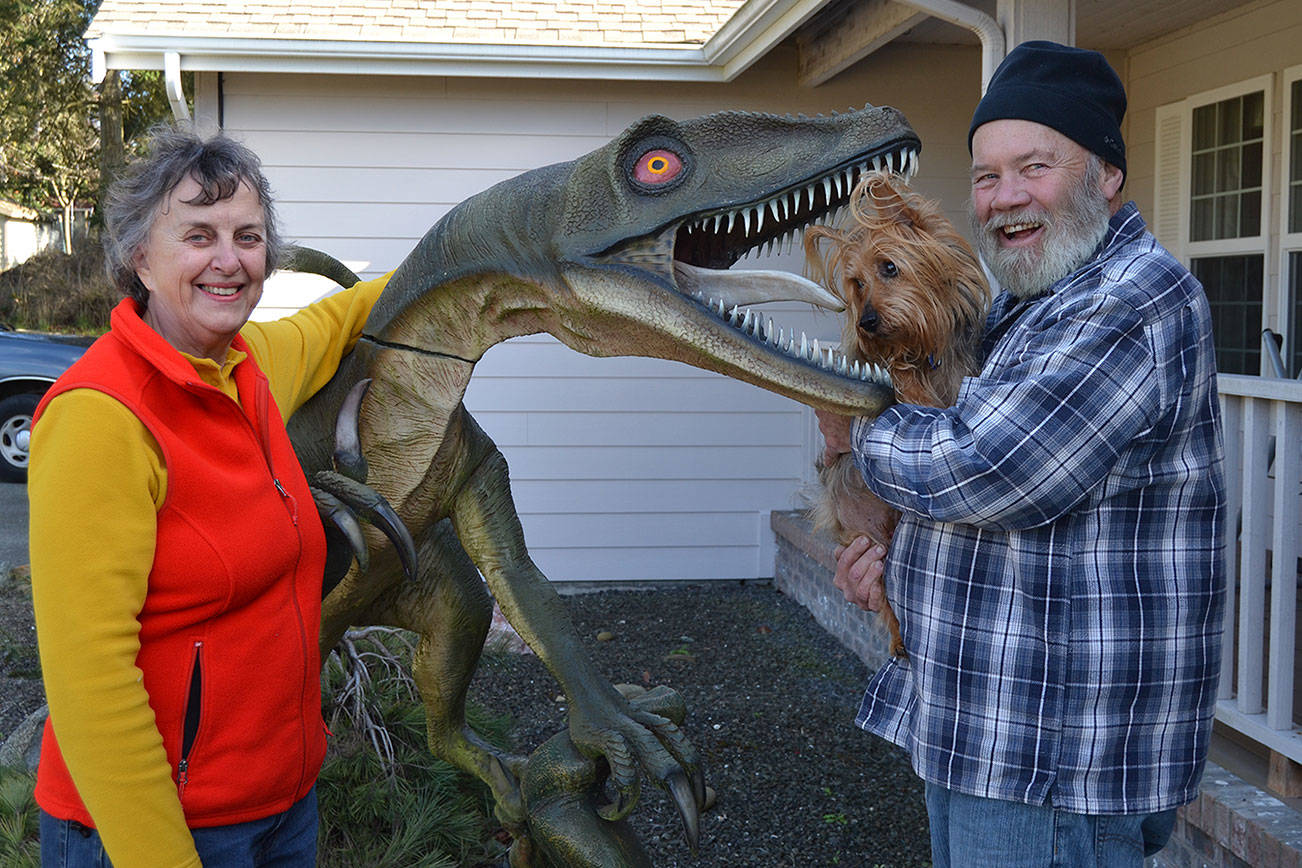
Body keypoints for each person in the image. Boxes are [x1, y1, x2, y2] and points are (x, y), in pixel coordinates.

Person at [816, 41, 1225, 866]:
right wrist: (890, 564)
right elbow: (967, 494)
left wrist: (854, 423)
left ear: (1105, 174)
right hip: (990, 738)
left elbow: (990, 470)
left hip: (1050, 766)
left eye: (1032, 167)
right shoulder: (1027, 305)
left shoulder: (1131, 300)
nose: (1005, 199)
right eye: (985, 176)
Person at [28, 125, 392, 867]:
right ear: (140, 257)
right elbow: (91, 682)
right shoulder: (101, 416)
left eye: (248, 236)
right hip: (154, 829)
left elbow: (336, 320)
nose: (229, 260)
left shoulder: (249, 367)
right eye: (198, 235)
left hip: (280, 807)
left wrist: (473, 251)